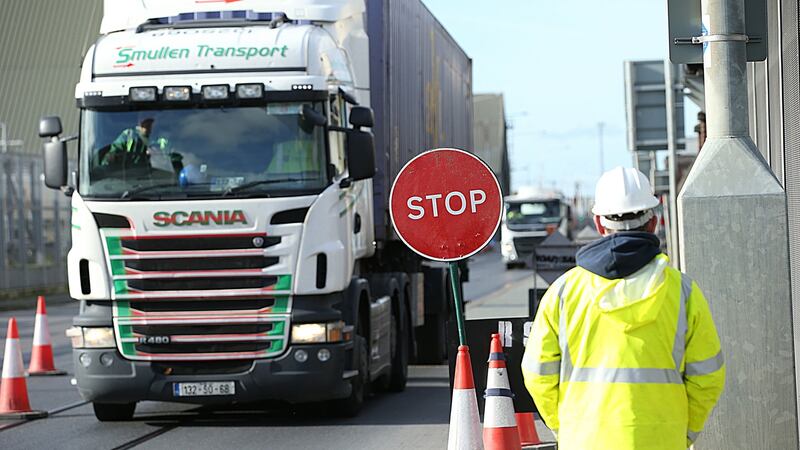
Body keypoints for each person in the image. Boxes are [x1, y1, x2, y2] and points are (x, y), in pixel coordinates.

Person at [521, 166, 725, 450]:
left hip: (585, 440)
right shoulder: (683, 292)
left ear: (599, 223)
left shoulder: (563, 293)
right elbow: (708, 376)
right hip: (662, 441)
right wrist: (684, 430)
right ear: (653, 222)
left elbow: (537, 374)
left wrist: (565, 427)